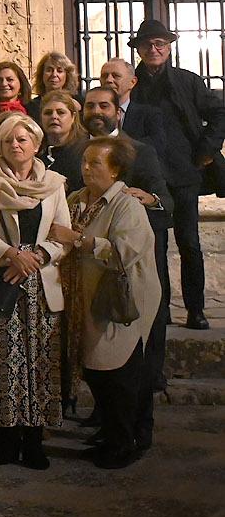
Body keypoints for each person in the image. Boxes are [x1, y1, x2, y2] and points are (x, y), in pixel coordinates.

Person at [0, 112, 70, 469]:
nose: (16, 146)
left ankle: (35, 441)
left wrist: (37, 255)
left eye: (22, 140)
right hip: (2, 281)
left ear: (36, 144)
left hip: (40, 283)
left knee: (41, 361)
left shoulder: (54, 184)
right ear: (0, 148)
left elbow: (62, 232)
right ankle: (5, 440)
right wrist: (9, 254)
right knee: (2, 362)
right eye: (8, 141)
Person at [56, 136, 160, 469]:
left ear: (115, 170)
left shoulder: (127, 205)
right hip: (85, 299)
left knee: (120, 372)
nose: (86, 168)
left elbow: (124, 253)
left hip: (119, 301)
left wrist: (80, 240)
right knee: (96, 371)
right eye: (84, 162)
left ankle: (126, 441)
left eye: (95, 163)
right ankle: (111, 434)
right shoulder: (75, 199)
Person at [128, 18, 224, 330]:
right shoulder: (133, 84)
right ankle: (161, 309)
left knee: (189, 243)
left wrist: (208, 149)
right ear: (139, 50)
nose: (154, 49)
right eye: (148, 44)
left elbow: (219, 113)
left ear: (169, 48)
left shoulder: (188, 81)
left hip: (185, 173)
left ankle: (195, 310)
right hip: (149, 178)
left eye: (160, 43)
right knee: (154, 245)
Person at [81, 85, 174, 398]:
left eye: (103, 106)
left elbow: (165, 199)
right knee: (99, 358)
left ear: (117, 112)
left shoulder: (139, 150)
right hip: (90, 274)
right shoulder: (76, 152)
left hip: (129, 263)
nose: (96, 112)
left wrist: (149, 199)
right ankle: (106, 423)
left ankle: (137, 430)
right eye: (90, 106)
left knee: (135, 354)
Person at [29, 51, 80, 119]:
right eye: (49, 70)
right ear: (42, 74)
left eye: (59, 71)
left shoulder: (80, 102)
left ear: (67, 75)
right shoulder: (31, 106)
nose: (54, 75)